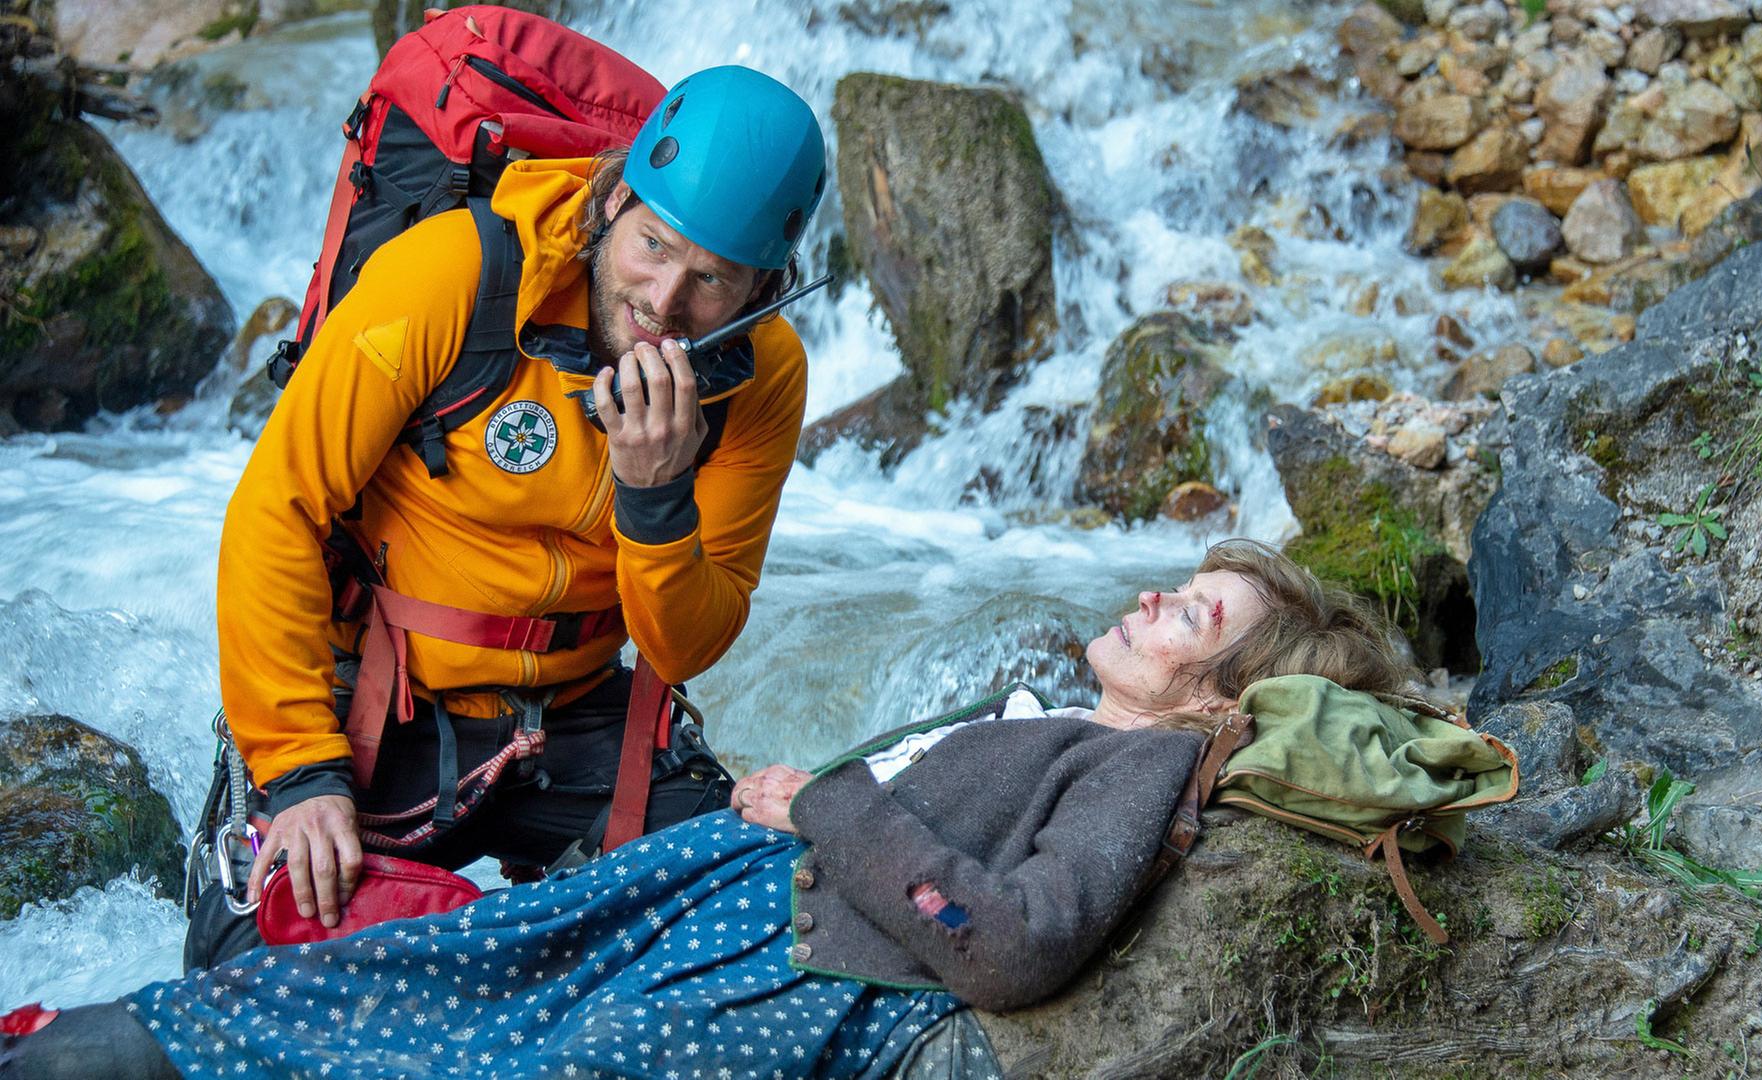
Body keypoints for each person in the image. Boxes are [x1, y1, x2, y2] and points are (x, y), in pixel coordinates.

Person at [5, 540, 1418, 1079]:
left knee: (491, 1057)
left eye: (1196, 617)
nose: (1157, 598)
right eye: (1182, 586)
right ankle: (66, 1048)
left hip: (793, 975)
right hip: (717, 896)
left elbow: (1016, 941)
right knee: (413, 974)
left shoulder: (1141, 767)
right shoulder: (1068, 718)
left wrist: (826, 809)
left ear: (1217, 698)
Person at [190, 65, 829, 967]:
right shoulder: (456, 272)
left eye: (713, 280)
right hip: (389, 695)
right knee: (254, 963)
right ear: (613, 200)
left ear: (764, 288)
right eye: (653, 243)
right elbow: (277, 509)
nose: (665, 304)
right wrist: (299, 771)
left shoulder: (762, 377)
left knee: (767, 918)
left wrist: (653, 496)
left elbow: (685, 648)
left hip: (574, 713)